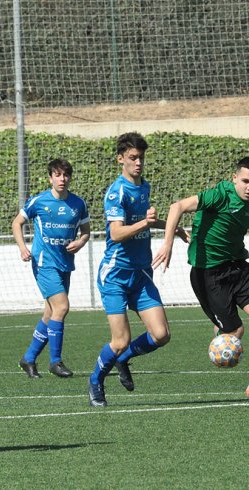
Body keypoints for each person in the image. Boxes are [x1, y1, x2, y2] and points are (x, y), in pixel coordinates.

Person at [152, 156, 249, 403]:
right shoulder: (220, 195)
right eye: (245, 181)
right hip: (209, 274)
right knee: (234, 331)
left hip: (238, 268)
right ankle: (221, 334)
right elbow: (177, 206)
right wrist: (168, 243)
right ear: (234, 178)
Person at [87, 132, 187, 407]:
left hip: (141, 274)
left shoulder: (145, 187)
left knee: (161, 335)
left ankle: (124, 358)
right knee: (120, 340)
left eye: (141, 157)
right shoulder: (116, 192)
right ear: (121, 159)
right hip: (116, 275)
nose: (138, 162)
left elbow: (146, 221)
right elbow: (117, 233)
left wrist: (173, 228)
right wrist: (145, 223)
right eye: (133, 158)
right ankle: (96, 380)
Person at [12, 158, 91, 378]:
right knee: (62, 307)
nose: (62, 179)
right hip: (44, 263)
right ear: (50, 178)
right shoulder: (39, 201)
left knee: (51, 312)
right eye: (57, 175)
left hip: (65, 263)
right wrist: (22, 247)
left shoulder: (78, 204)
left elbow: (86, 231)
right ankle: (55, 362)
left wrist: (81, 242)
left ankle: (28, 359)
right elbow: (16, 222)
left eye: (65, 175)